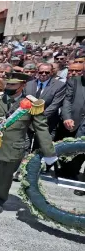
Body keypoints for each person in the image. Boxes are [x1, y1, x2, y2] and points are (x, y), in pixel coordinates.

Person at [0, 72, 57, 214]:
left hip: (12, 148)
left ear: (22, 85)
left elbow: (41, 128)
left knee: (5, 178)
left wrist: (49, 152)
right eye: (7, 84)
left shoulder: (32, 104)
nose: (8, 87)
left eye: (12, 85)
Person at [59, 68, 85, 196]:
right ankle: (71, 172)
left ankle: (83, 185)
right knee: (77, 152)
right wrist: (67, 117)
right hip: (77, 121)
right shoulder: (75, 81)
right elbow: (67, 100)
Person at [24, 63, 65, 139]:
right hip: (28, 122)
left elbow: (55, 105)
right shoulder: (29, 84)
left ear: (52, 72)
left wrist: (39, 118)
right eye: (41, 72)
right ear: (37, 72)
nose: (43, 74)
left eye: (47, 72)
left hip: (47, 123)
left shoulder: (59, 85)